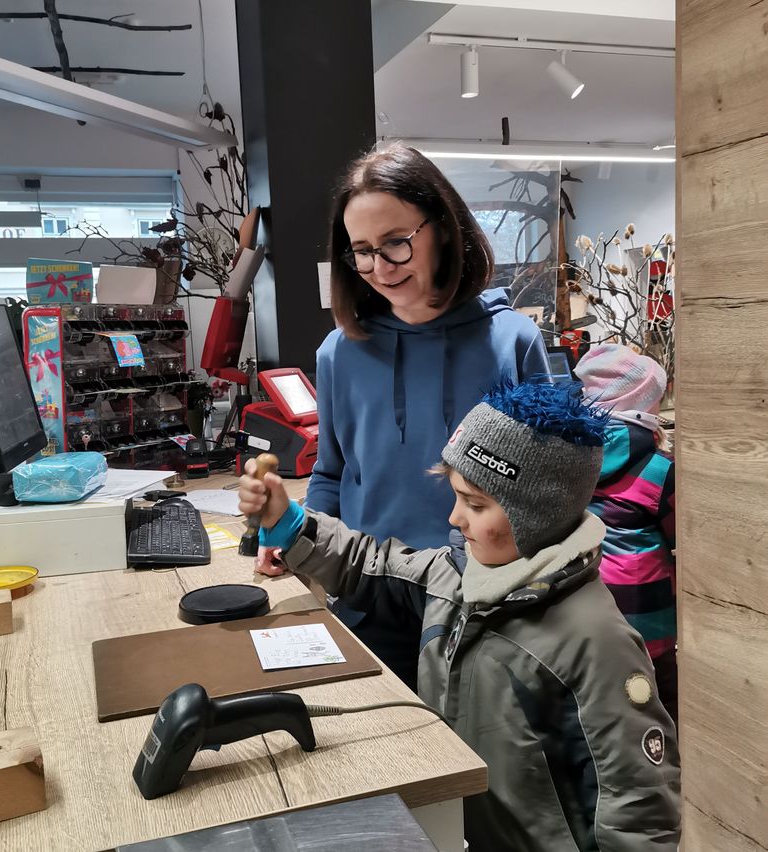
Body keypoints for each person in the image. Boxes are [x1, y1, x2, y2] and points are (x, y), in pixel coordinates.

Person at [241, 381, 681, 852]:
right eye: (456, 497)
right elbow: (369, 565)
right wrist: (288, 521)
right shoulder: (454, 576)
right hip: (458, 831)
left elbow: (638, 805)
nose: (455, 519)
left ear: (536, 514)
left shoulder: (596, 642)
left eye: (475, 504)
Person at [304, 144, 549, 686]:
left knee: (487, 763)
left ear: (442, 227)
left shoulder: (513, 341)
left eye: (395, 243)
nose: (378, 268)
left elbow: (549, 487)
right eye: (361, 251)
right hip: (368, 591)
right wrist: (297, 544)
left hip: (485, 597)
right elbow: (331, 473)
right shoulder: (338, 353)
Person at [575, 343, 678, 724]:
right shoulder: (659, 471)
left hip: (586, 614)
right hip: (645, 617)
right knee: (662, 710)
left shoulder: (572, 456)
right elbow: (680, 540)